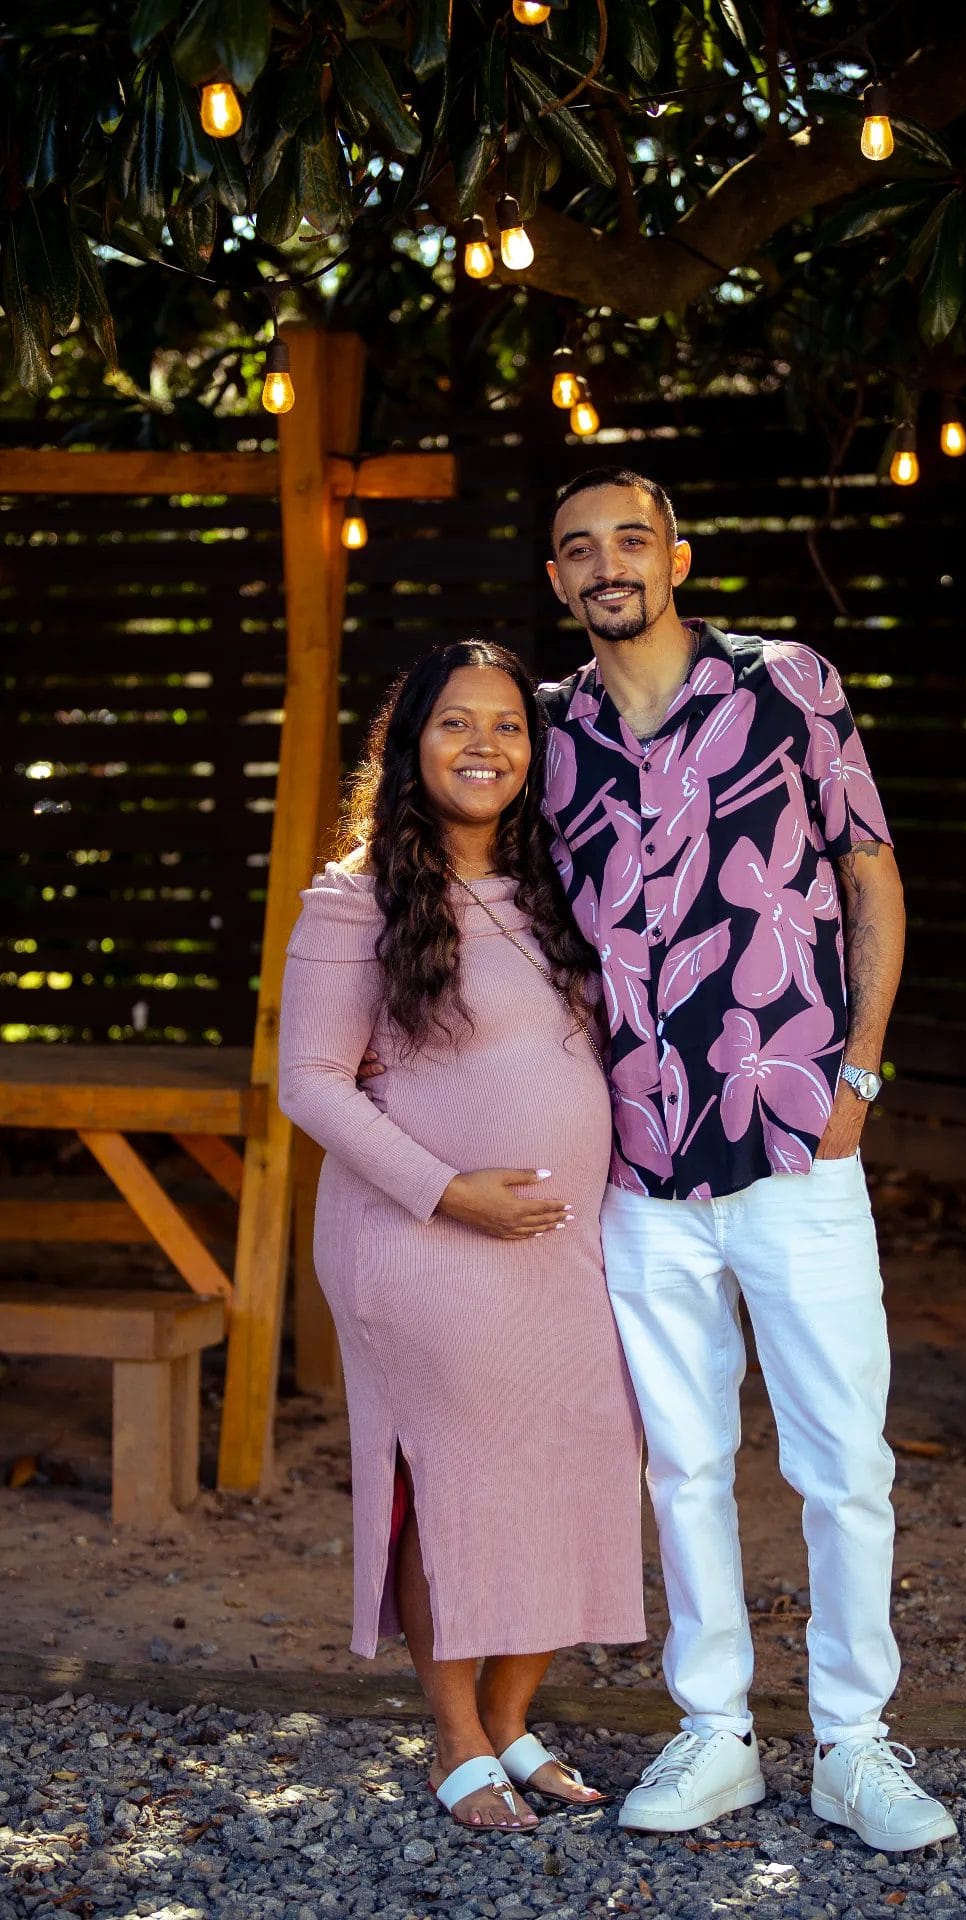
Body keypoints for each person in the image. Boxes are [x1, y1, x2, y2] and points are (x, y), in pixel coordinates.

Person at [537, 467, 957, 1851]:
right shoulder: (552, 736)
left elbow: (871, 871)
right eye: (579, 549)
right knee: (682, 1464)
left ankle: (854, 1743)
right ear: (558, 581)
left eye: (630, 539)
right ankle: (713, 1732)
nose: (608, 564)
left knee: (844, 1461)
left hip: (795, 1143)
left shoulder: (790, 682)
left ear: (678, 555)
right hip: (640, 1162)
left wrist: (861, 1070)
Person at [276, 640, 644, 1833]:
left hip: (559, 1251)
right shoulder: (355, 893)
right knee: (462, 1483)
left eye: (507, 727)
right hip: (420, 1241)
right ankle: (454, 1735)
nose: (484, 746)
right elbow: (313, 1085)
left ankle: (512, 1716)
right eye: (454, 724)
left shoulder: (554, 887)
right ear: (409, 747)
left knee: (587, 1456)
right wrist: (447, 1192)